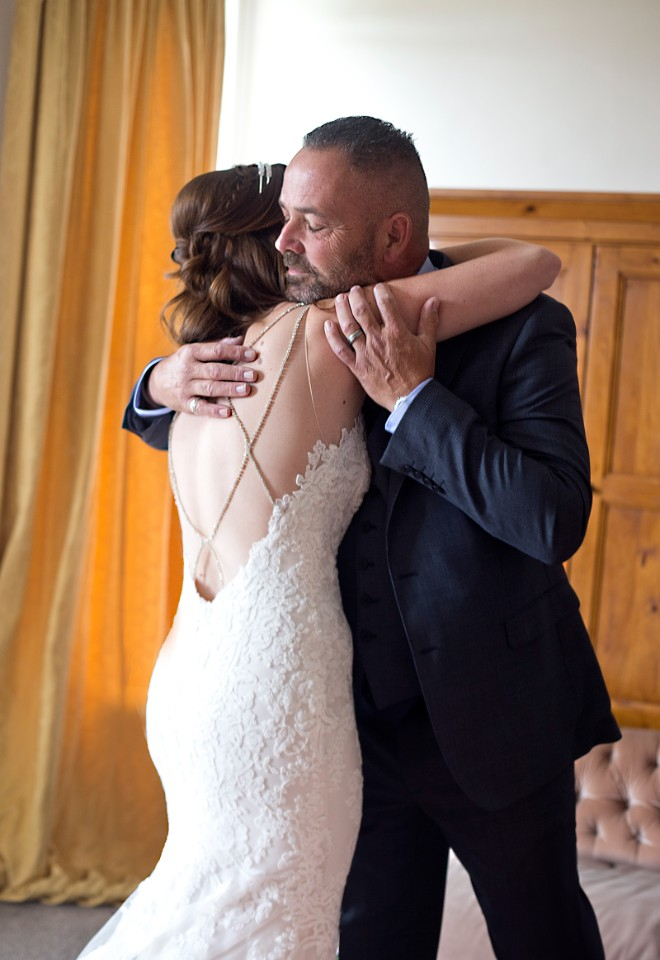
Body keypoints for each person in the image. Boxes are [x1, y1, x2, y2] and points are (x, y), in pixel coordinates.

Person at [121, 117, 620, 960]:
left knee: (546, 942)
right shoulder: (288, 323)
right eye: (285, 217)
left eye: (313, 224)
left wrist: (417, 403)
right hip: (339, 727)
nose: (287, 241)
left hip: (490, 716)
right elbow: (209, 439)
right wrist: (157, 382)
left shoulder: (519, 327)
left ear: (394, 235)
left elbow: (551, 518)